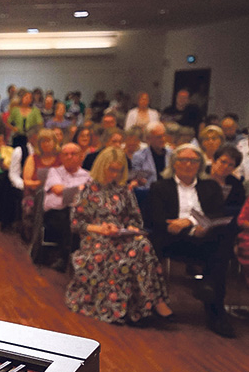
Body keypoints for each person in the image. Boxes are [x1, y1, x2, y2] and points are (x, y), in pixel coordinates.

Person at [66, 147, 171, 324]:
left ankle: (150, 303)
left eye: (118, 170)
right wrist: (100, 228)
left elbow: (136, 220)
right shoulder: (87, 190)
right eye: (111, 169)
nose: (114, 174)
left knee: (142, 244)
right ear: (102, 167)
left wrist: (126, 227)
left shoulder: (124, 191)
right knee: (117, 255)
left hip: (121, 234)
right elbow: (76, 224)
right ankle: (119, 309)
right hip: (96, 236)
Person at [146, 144, 232, 337]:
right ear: (174, 163)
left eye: (193, 161)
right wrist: (187, 228)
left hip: (206, 236)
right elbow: (157, 220)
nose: (188, 164)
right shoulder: (160, 187)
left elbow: (218, 213)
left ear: (200, 165)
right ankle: (210, 295)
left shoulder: (210, 186)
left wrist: (191, 221)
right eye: (183, 160)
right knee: (218, 251)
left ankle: (216, 312)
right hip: (173, 239)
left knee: (223, 238)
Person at [41, 143, 91, 271]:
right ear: (61, 158)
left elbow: (90, 195)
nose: (69, 157)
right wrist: (79, 189)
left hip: (79, 211)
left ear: (81, 157)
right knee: (67, 220)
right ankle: (65, 257)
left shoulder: (88, 176)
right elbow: (57, 190)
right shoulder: (54, 171)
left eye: (73, 154)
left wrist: (71, 191)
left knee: (80, 220)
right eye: (66, 154)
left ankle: (79, 259)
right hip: (55, 213)